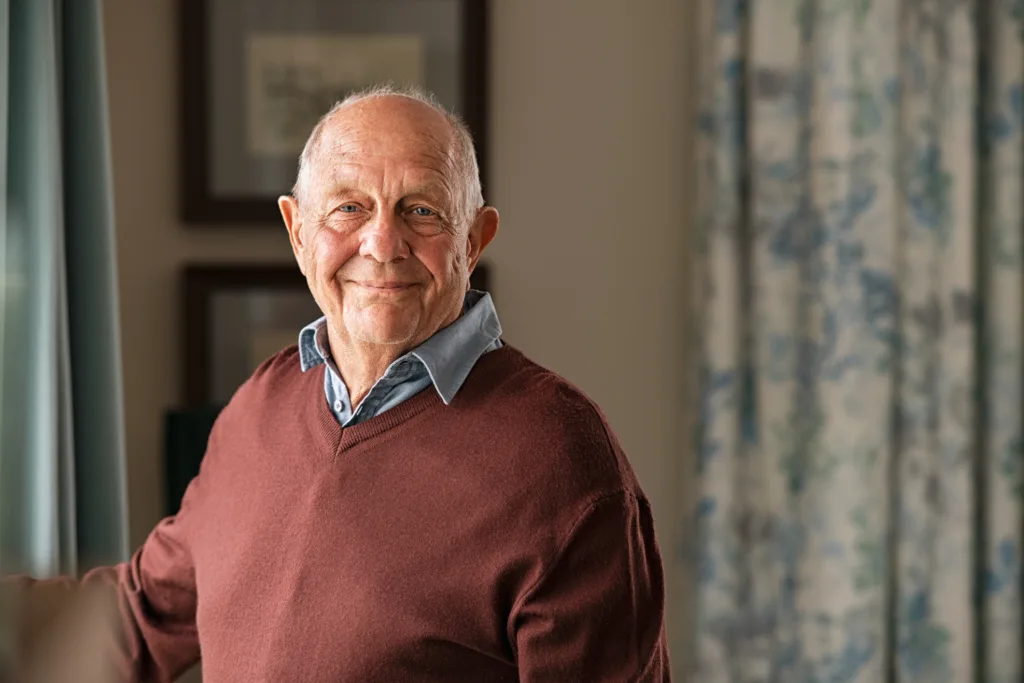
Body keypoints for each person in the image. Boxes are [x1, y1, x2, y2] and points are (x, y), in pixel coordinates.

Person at [5, 86, 671, 682]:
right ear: (298, 233)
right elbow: (141, 614)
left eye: (422, 211)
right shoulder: (260, 405)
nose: (382, 243)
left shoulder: (562, 458)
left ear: (475, 239)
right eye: (349, 207)